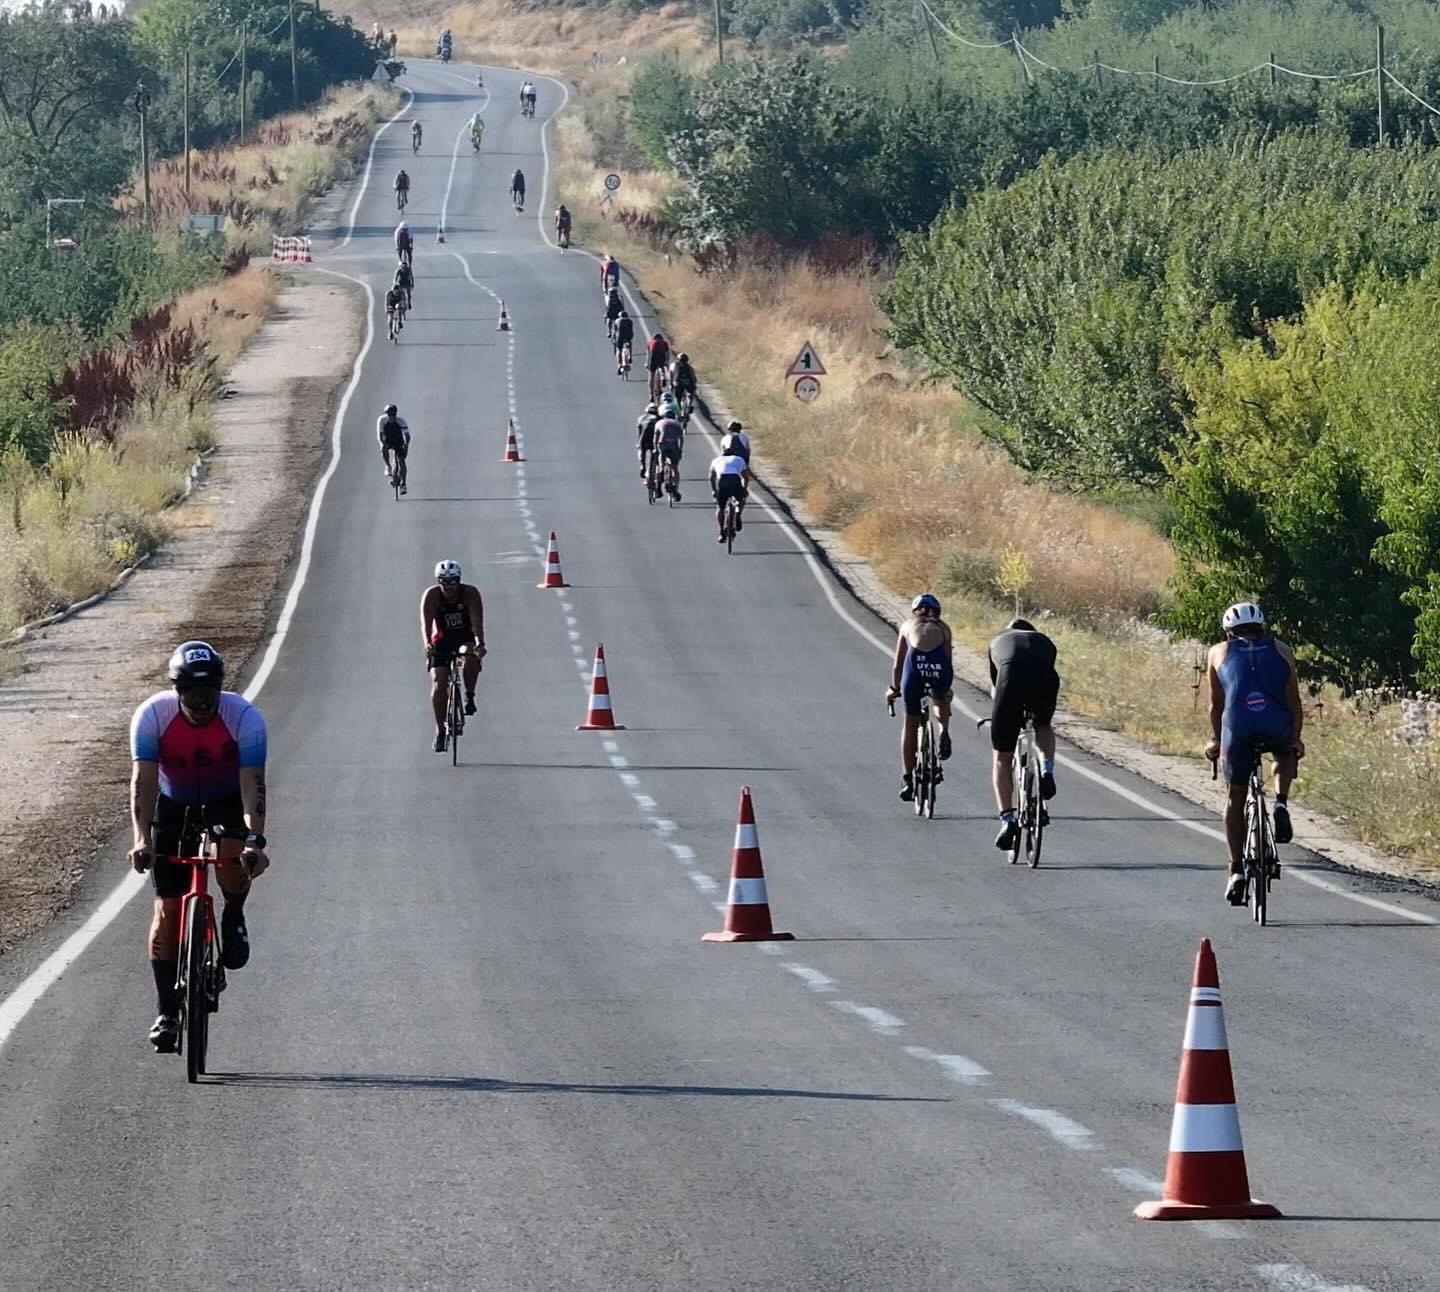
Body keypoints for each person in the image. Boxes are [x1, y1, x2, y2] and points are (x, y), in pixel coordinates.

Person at [128, 642, 269, 1053]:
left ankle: (234, 913)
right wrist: (141, 838)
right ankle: (167, 1012)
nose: (203, 701)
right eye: (192, 692)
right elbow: (144, 782)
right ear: (178, 690)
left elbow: (253, 785)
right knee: (167, 908)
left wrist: (255, 841)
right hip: (173, 805)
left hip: (225, 800)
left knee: (230, 859)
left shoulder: (244, 717)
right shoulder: (152, 717)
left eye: (210, 691)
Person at [1204, 601, 1303, 906]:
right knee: (1285, 751)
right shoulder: (1284, 650)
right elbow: (1295, 702)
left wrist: (1215, 741)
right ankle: (1282, 801)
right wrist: (1296, 740)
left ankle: (1235, 870)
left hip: (1239, 725)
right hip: (1276, 722)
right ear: (1261, 627)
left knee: (1235, 797)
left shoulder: (1217, 652)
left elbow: (1216, 707)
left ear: (1228, 631)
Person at [987, 618, 1060, 849]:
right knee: (1043, 724)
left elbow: (995, 687)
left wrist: (1004, 718)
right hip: (1044, 678)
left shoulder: (998, 641)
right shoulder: (1044, 641)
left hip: (1010, 677)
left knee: (1001, 756)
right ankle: (1047, 770)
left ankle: (1007, 820)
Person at [886, 595, 955, 802]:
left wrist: (893, 689)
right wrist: (946, 690)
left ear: (916, 611)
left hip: (915, 670)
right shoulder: (944, 628)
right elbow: (948, 661)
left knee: (911, 721)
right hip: (939, 669)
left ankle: (907, 779)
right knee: (940, 698)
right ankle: (943, 730)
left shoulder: (908, 625)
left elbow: (898, 664)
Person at [420, 561, 486, 753]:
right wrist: (428, 646)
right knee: (439, 684)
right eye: (444, 581)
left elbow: (477, 621)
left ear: (459, 580)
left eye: (452, 581)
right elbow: (425, 624)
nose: (448, 586)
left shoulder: (470, 594)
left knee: (470, 655)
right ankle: (441, 730)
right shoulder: (432, 596)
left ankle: (470, 695)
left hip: (464, 638)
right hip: (441, 640)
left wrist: (480, 643)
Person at [709, 449, 750, 542]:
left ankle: (721, 532)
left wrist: (714, 491)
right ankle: (738, 513)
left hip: (722, 480)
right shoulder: (739, 459)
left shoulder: (716, 460)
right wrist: (744, 489)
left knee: (720, 508)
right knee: (742, 498)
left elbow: (711, 477)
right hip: (735, 479)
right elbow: (746, 477)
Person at [653, 406, 684, 500]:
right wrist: (680, 449)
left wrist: (656, 448)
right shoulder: (678, 424)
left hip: (663, 444)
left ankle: (660, 475)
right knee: (675, 468)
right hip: (673, 445)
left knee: (661, 462)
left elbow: (655, 438)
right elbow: (681, 439)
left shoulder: (659, 422)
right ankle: (675, 487)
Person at [377, 403, 410, 492]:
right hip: (387, 440)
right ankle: (388, 466)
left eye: (393, 415)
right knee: (383, 450)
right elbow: (380, 435)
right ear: (386, 414)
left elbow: (407, 436)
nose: (391, 417)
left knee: (401, 461)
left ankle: (403, 484)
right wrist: (383, 445)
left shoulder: (401, 421)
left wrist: (406, 446)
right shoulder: (382, 420)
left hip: (398, 441)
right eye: (389, 415)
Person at [636, 401, 660, 478]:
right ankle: (658, 468)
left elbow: (640, 431)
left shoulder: (641, 418)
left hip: (644, 438)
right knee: (657, 453)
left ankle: (642, 465)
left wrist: (639, 442)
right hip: (653, 439)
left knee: (642, 450)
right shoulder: (659, 419)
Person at [647, 331, 672, 400]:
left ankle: (651, 394)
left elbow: (649, 355)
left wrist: (647, 364)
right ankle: (662, 376)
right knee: (662, 368)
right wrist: (667, 362)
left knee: (651, 375)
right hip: (661, 357)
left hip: (653, 358)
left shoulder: (650, 342)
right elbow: (667, 354)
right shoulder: (664, 343)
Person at [613, 309, 635, 376]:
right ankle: (630, 357)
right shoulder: (630, 321)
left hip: (620, 337)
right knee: (629, 343)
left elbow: (614, 331)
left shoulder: (617, 320)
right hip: (629, 336)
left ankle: (619, 364)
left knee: (619, 350)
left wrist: (614, 339)